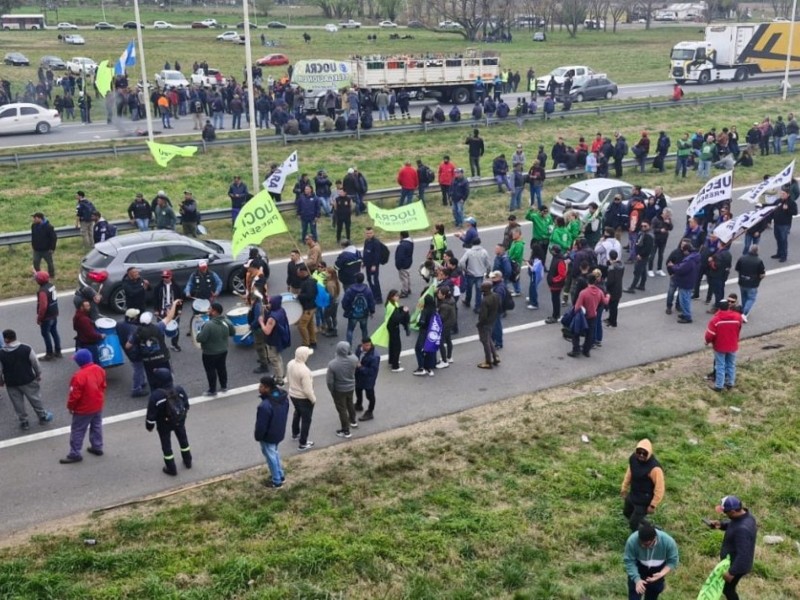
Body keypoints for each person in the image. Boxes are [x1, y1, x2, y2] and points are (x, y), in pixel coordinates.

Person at [704, 495, 758, 600]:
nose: (725, 514)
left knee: (728, 589)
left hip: (737, 565)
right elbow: (734, 522)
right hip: (733, 562)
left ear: (733, 511)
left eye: (726, 512)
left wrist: (731, 572)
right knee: (727, 588)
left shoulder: (742, 530)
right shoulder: (747, 516)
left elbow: (744, 555)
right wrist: (721, 524)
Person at [0, 329, 54, 431]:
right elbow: (35, 363)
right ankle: (42, 416)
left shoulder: (1, 353)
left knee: (17, 402)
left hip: (12, 382)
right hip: (28, 379)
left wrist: (1, 380)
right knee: (35, 398)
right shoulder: (26, 348)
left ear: (6, 339)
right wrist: (38, 374)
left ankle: (24, 421)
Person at [59, 349, 107, 464]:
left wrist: (70, 407)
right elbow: (103, 385)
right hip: (97, 404)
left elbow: (74, 396)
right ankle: (97, 446)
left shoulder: (78, 376)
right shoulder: (99, 369)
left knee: (78, 430)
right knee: (96, 426)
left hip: (83, 409)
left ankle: (75, 453)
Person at [145, 368, 192, 476]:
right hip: (179, 420)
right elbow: (186, 404)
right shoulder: (179, 389)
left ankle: (171, 468)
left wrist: (149, 426)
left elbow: (151, 415)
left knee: (166, 446)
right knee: (183, 440)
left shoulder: (156, 396)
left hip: (163, 424)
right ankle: (188, 461)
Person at [623, 522, 679, 600]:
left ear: (654, 539)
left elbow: (672, 561)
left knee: (653, 593)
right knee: (634, 594)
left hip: (657, 569)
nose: (643, 546)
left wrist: (661, 573)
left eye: (646, 545)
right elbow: (629, 561)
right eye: (641, 543)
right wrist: (637, 579)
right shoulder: (632, 540)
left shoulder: (668, 542)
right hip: (639, 566)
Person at [620, 439, 665, 531]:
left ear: (649, 453)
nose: (641, 455)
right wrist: (624, 488)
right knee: (626, 513)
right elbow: (629, 473)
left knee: (633, 524)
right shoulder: (633, 459)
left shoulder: (655, 468)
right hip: (633, 494)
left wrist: (653, 505)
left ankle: (640, 538)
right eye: (639, 452)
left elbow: (659, 488)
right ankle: (650, 527)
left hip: (644, 501)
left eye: (644, 453)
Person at [254, 375, 290, 488]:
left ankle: (276, 481)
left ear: (267, 388)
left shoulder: (264, 406)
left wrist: (258, 436)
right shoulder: (283, 398)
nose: (259, 388)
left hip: (268, 436)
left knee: (271, 457)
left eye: (261, 386)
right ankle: (280, 475)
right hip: (279, 431)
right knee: (274, 453)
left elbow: (261, 426)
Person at [704, 298, 744, 392]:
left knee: (720, 365)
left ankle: (719, 385)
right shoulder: (737, 317)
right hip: (733, 345)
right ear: (728, 306)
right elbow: (738, 329)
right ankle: (730, 383)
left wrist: (707, 341)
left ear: (719, 308)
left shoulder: (716, 319)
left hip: (720, 346)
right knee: (731, 364)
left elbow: (710, 334)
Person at [196, 302, 234, 396]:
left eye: (210, 309)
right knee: (222, 368)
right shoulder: (227, 321)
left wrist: (199, 332)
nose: (208, 311)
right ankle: (224, 386)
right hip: (223, 350)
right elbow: (232, 333)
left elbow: (200, 338)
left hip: (209, 353)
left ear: (214, 312)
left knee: (211, 371)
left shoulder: (208, 325)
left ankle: (212, 390)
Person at [568, 273, 608, 358]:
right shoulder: (599, 292)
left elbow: (577, 307)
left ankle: (576, 350)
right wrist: (608, 296)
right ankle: (586, 351)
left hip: (583, 317)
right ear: (596, 282)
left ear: (587, 281)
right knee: (590, 335)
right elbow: (604, 302)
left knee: (576, 333)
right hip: (593, 316)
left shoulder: (583, 293)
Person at [327, 340, 359, 439]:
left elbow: (329, 381)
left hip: (339, 390)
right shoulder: (354, 359)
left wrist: (332, 391)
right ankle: (353, 421)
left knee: (342, 410)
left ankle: (346, 430)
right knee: (350, 403)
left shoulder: (333, 364)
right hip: (351, 386)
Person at [183, 259, 222, 335]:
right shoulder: (194, 275)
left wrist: (217, 292)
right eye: (202, 267)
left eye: (205, 267)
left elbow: (219, 283)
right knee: (196, 315)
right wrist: (187, 292)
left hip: (210, 298)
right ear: (198, 267)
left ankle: (217, 328)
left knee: (214, 313)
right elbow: (189, 284)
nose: (204, 269)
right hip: (198, 298)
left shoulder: (212, 274)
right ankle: (192, 329)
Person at [342, 272, 375, 347]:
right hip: (364, 313)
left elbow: (345, 302)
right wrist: (372, 311)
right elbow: (371, 301)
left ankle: (348, 347)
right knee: (364, 330)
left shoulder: (350, 290)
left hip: (353, 313)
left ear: (355, 279)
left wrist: (347, 309)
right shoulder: (367, 290)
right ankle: (366, 345)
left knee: (350, 330)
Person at [34, 271, 62, 360]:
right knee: (54, 332)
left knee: (45, 334)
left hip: (47, 316)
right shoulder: (51, 286)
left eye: (37, 279)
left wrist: (39, 318)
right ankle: (58, 351)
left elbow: (43, 306)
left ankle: (49, 354)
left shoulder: (42, 291)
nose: (36, 280)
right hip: (54, 313)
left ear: (40, 281)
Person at [154, 270, 183, 352]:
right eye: (163, 277)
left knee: (175, 328)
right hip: (162, 311)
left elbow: (180, 299)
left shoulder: (176, 287)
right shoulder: (158, 287)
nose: (165, 279)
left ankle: (174, 344)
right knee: (160, 329)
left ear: (171, 277)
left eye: (166, 277)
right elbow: (155, 299)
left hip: (174, 310)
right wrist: (156, 310)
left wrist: (180, 309)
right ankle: (162, 345)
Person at [735, 245, 765, 320]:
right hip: (752, 283)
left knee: (744, 297)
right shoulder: (759, 261)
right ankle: (745, 313)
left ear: (749, 250)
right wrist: (758, 279)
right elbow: (762, 274)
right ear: (757, 251)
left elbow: (737, 268)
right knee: (751, 298)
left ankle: (744, 311)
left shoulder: (742, 258)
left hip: (742, 281)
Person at [354, 337, 380, 420]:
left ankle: (370, 411)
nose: (367, 347)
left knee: (370, 395)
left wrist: (360, 367)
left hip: (369, 379)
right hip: (358, 376)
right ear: (362, 344)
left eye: (369, 345)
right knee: (358, 389)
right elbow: (356, 357)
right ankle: (359, 404)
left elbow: (372, 371)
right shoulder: (359, 349)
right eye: (366, 345)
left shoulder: (374, 356)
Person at [476, 281, 500, 369]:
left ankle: (488, 361)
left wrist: (479, 324)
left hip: (485, 324)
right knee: (489, 339)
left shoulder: (485, 300)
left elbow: (483, 316)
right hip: (492, 320)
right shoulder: (496, 295)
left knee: (485, 342)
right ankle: (495, 356)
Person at [770, 187, 798, 262]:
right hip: (776, 223)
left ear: (788, 194)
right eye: (781, 193)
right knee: (778, 239)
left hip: (784, 225)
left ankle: (784, 255)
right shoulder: (778, 201)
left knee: (783, 240)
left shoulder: (791, 203)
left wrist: (787, 209)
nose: (781, 195)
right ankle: (779, 253)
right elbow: (771, 209)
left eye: (783, 193)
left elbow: (795, 212)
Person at [73, 299, 104, 364]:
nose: (89, 307)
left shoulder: (77, 316)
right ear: (81, 307)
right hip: (89, 344)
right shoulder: (84, 319)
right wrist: (100, 336)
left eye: (89, 305)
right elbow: (90, 334)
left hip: (81, 342)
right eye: (87, 306)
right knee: (95, 363)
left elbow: (75, 328)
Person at [295, 265, 318, 348]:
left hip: (308, 308)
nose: (297, 274)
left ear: (303, 272)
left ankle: (306, 343)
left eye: (298, 272)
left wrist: (299, 296)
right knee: (310, 325)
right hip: (311, 307)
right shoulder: (309, 281)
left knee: (301, 326)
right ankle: (313, 341)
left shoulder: (308, 283)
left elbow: (309, 295)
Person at [31, 212, 57, 277]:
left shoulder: (49, 227)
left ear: (40, 218)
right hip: (37, 250)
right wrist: (33, 245)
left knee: (50, 263)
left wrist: (52, 248)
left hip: (46, 250)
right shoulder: (33, 226)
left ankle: (51, 275)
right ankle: (38, 275)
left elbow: (53, 238)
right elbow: (33, 236)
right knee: (35, 262)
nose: (33, 219)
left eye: (35, 218)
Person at [363, 227, 385, 303]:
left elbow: (377, 255)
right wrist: (364, 262)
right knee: (369, 280)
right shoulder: (366, 241)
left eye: (370, 233)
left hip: (373, 266)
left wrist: (374, 265)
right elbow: (365, 252)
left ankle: (378, 298)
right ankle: (373, 294)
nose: (368, 235)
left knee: (374, 280)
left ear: (373, 233)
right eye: (367, 233)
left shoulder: (376, 242)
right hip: (368, 265)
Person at [396, 231, 414, 298]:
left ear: (402, 236)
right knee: (407, 276)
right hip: (408, 262)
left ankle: (404, 291)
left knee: (404, 278)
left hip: (403, 264)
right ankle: (408, 289)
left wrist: (398, 265)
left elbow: (399, 257)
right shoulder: (410, 242)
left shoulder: (402, 245)